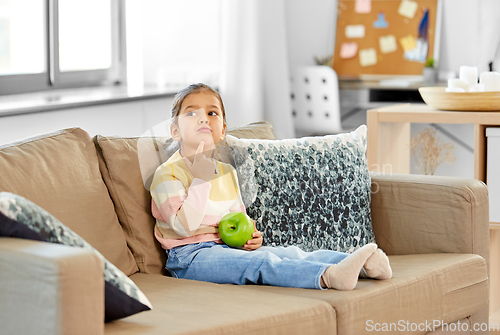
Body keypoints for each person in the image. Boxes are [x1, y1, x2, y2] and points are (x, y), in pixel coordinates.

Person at [150, 83, 392, 290]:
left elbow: (237, 218)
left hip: (227, 247)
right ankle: (327, 276)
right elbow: (183, 227)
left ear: (222, 130)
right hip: (189, 258)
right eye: (192, 114)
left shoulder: (226, 172)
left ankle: (362, 263)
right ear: (175, 131)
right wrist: (200, 180)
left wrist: (251, 236)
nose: (204, 118)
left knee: (289, 253)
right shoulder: (167, 174)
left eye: (212, 113)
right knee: (262, 262)